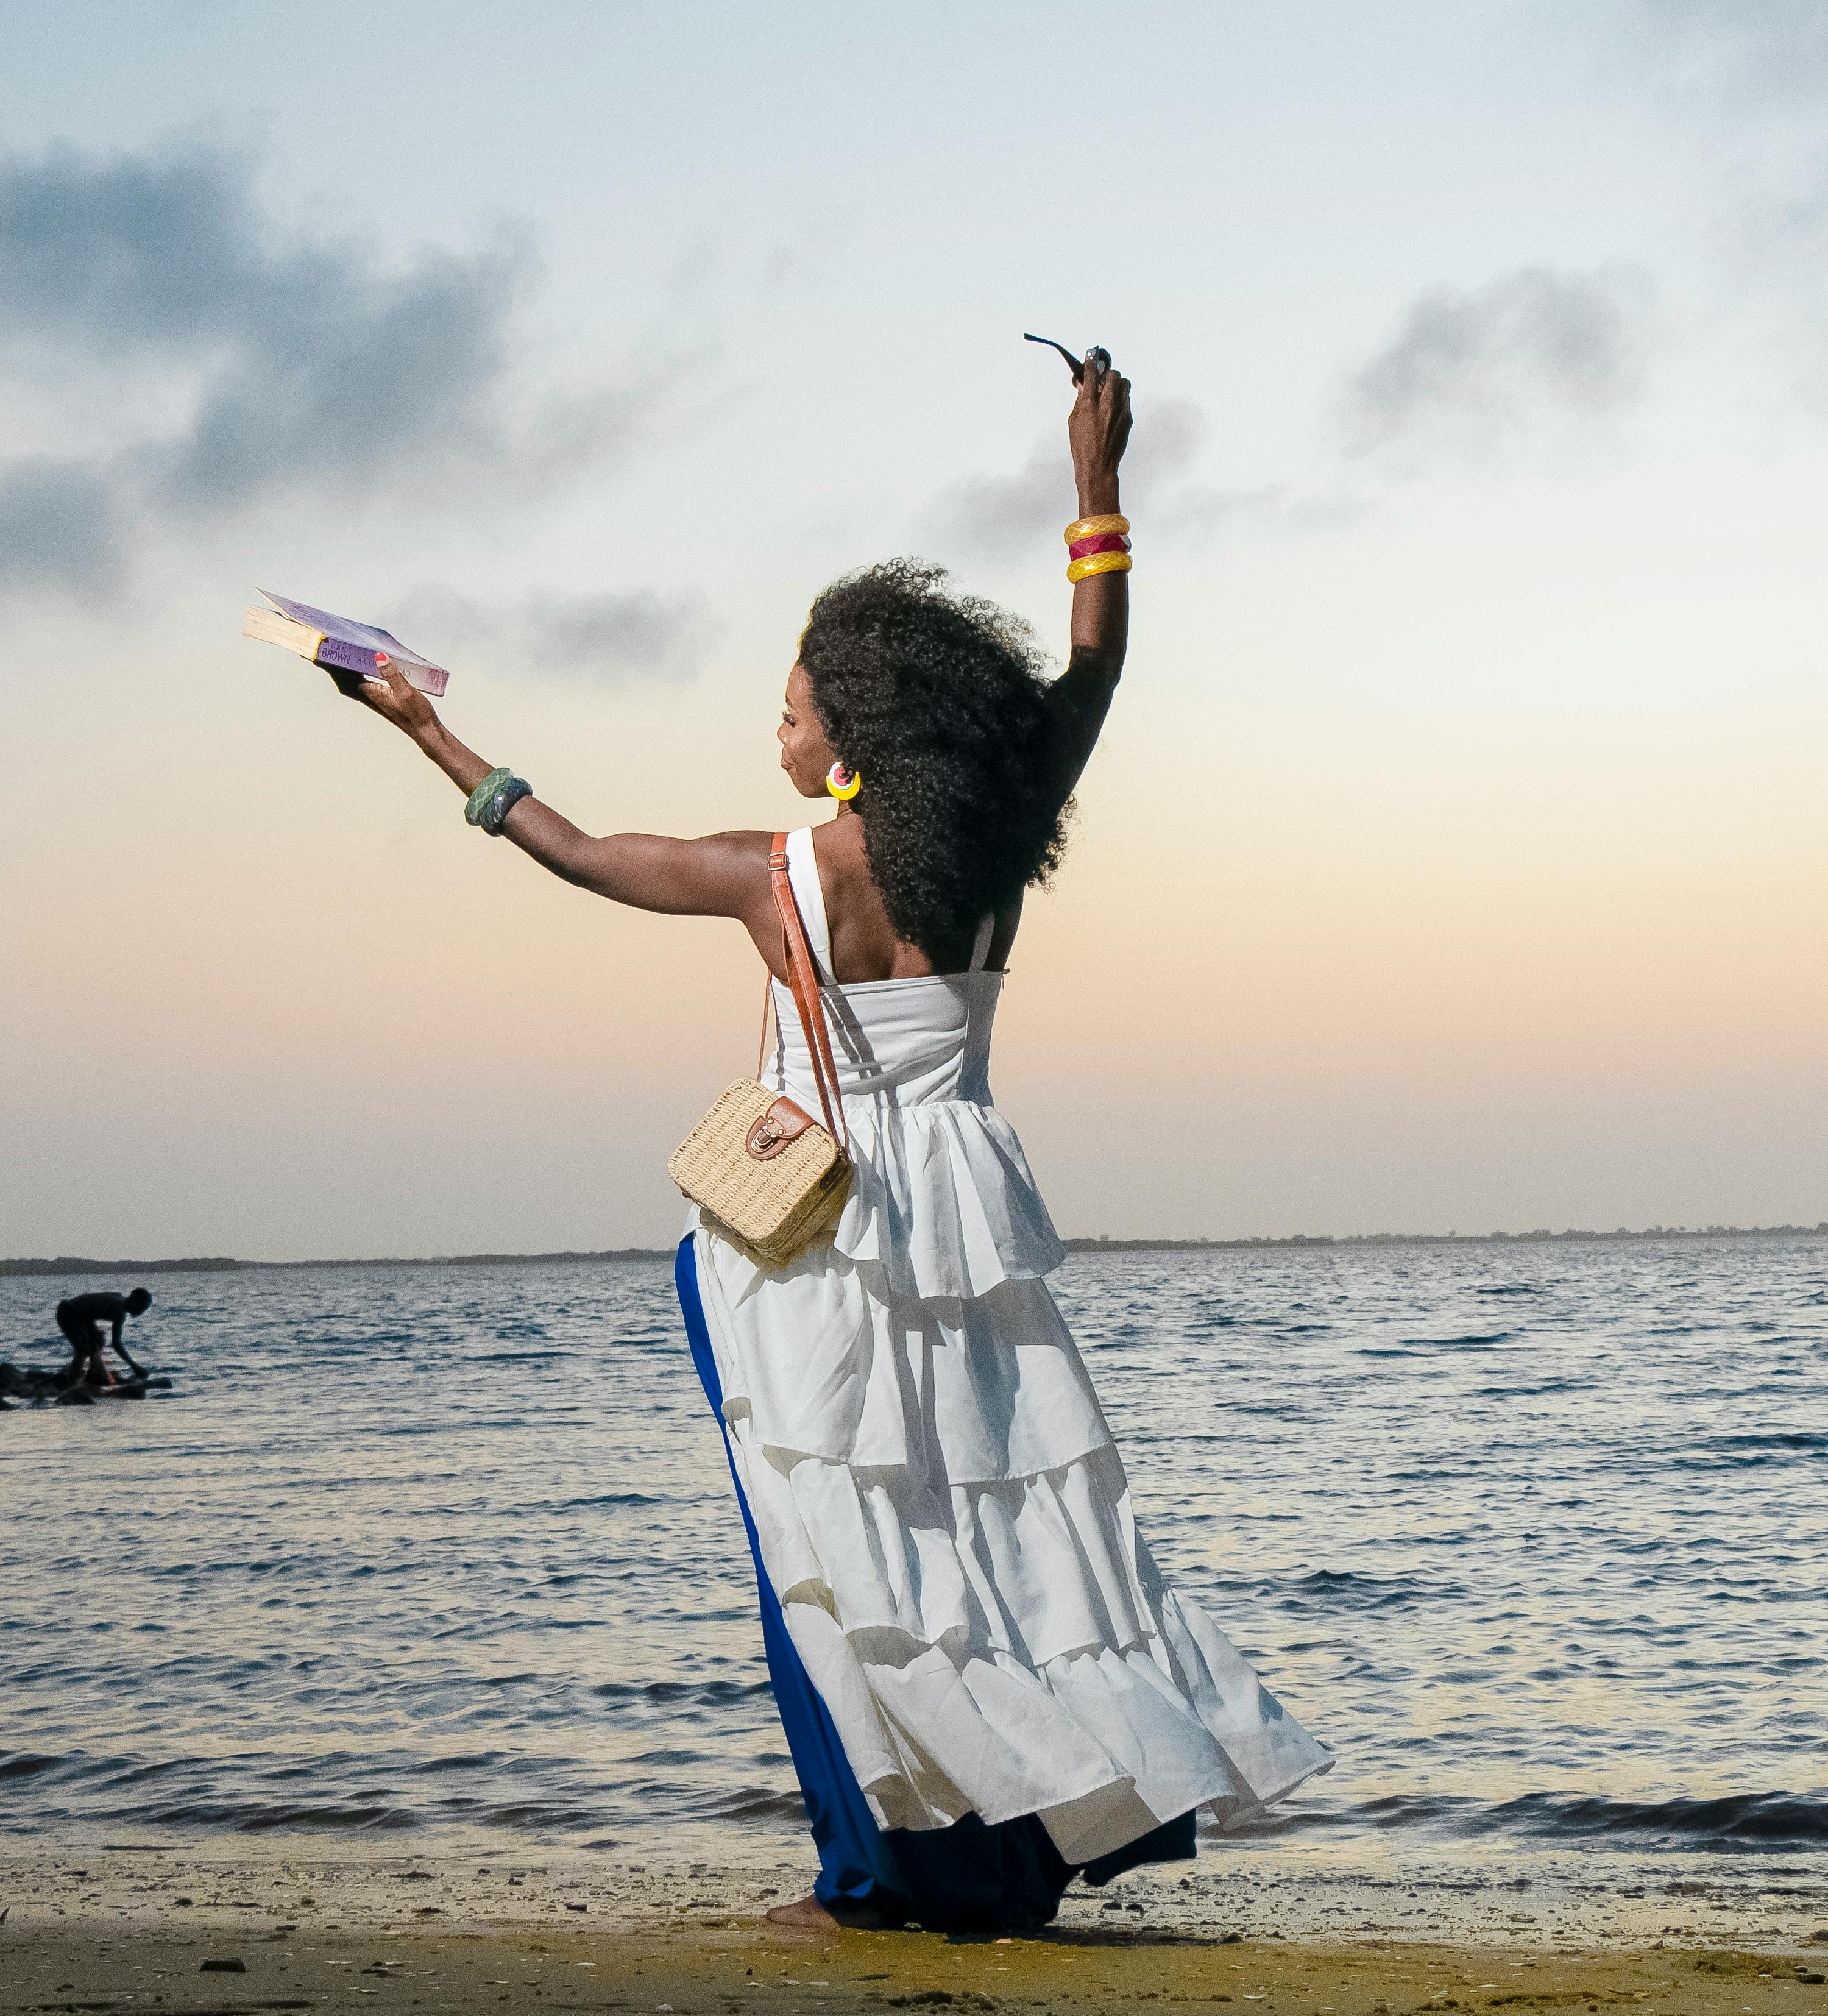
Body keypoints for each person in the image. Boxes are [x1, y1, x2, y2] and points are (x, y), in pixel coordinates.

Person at [338, 355, 1330, 1933]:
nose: (778, 727)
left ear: (852, 726)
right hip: (966, 1216)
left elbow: (574, 849)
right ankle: (1017, 1853)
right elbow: (1096, 669)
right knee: (999, 1537)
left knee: (835, 1549)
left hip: (800, 1236)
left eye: (793, 707)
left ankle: (880, 1877)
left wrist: (423, 730)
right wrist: (1096, 482)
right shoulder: (1000, 839)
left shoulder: (775, 872)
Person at [55, 1287, 152, 1390]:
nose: (142, 1312)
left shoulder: (118, 1296)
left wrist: (92, 1331)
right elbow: (116, 1344)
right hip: (68, 1313)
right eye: (143, 1308)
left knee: (98, 1340)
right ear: (135, 1302)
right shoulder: (119, 1312)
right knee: (84, 1350)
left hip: (78, 1313)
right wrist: (135, 1367)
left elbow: (92, 1304)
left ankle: (90, 1375)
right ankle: (71, 1385)